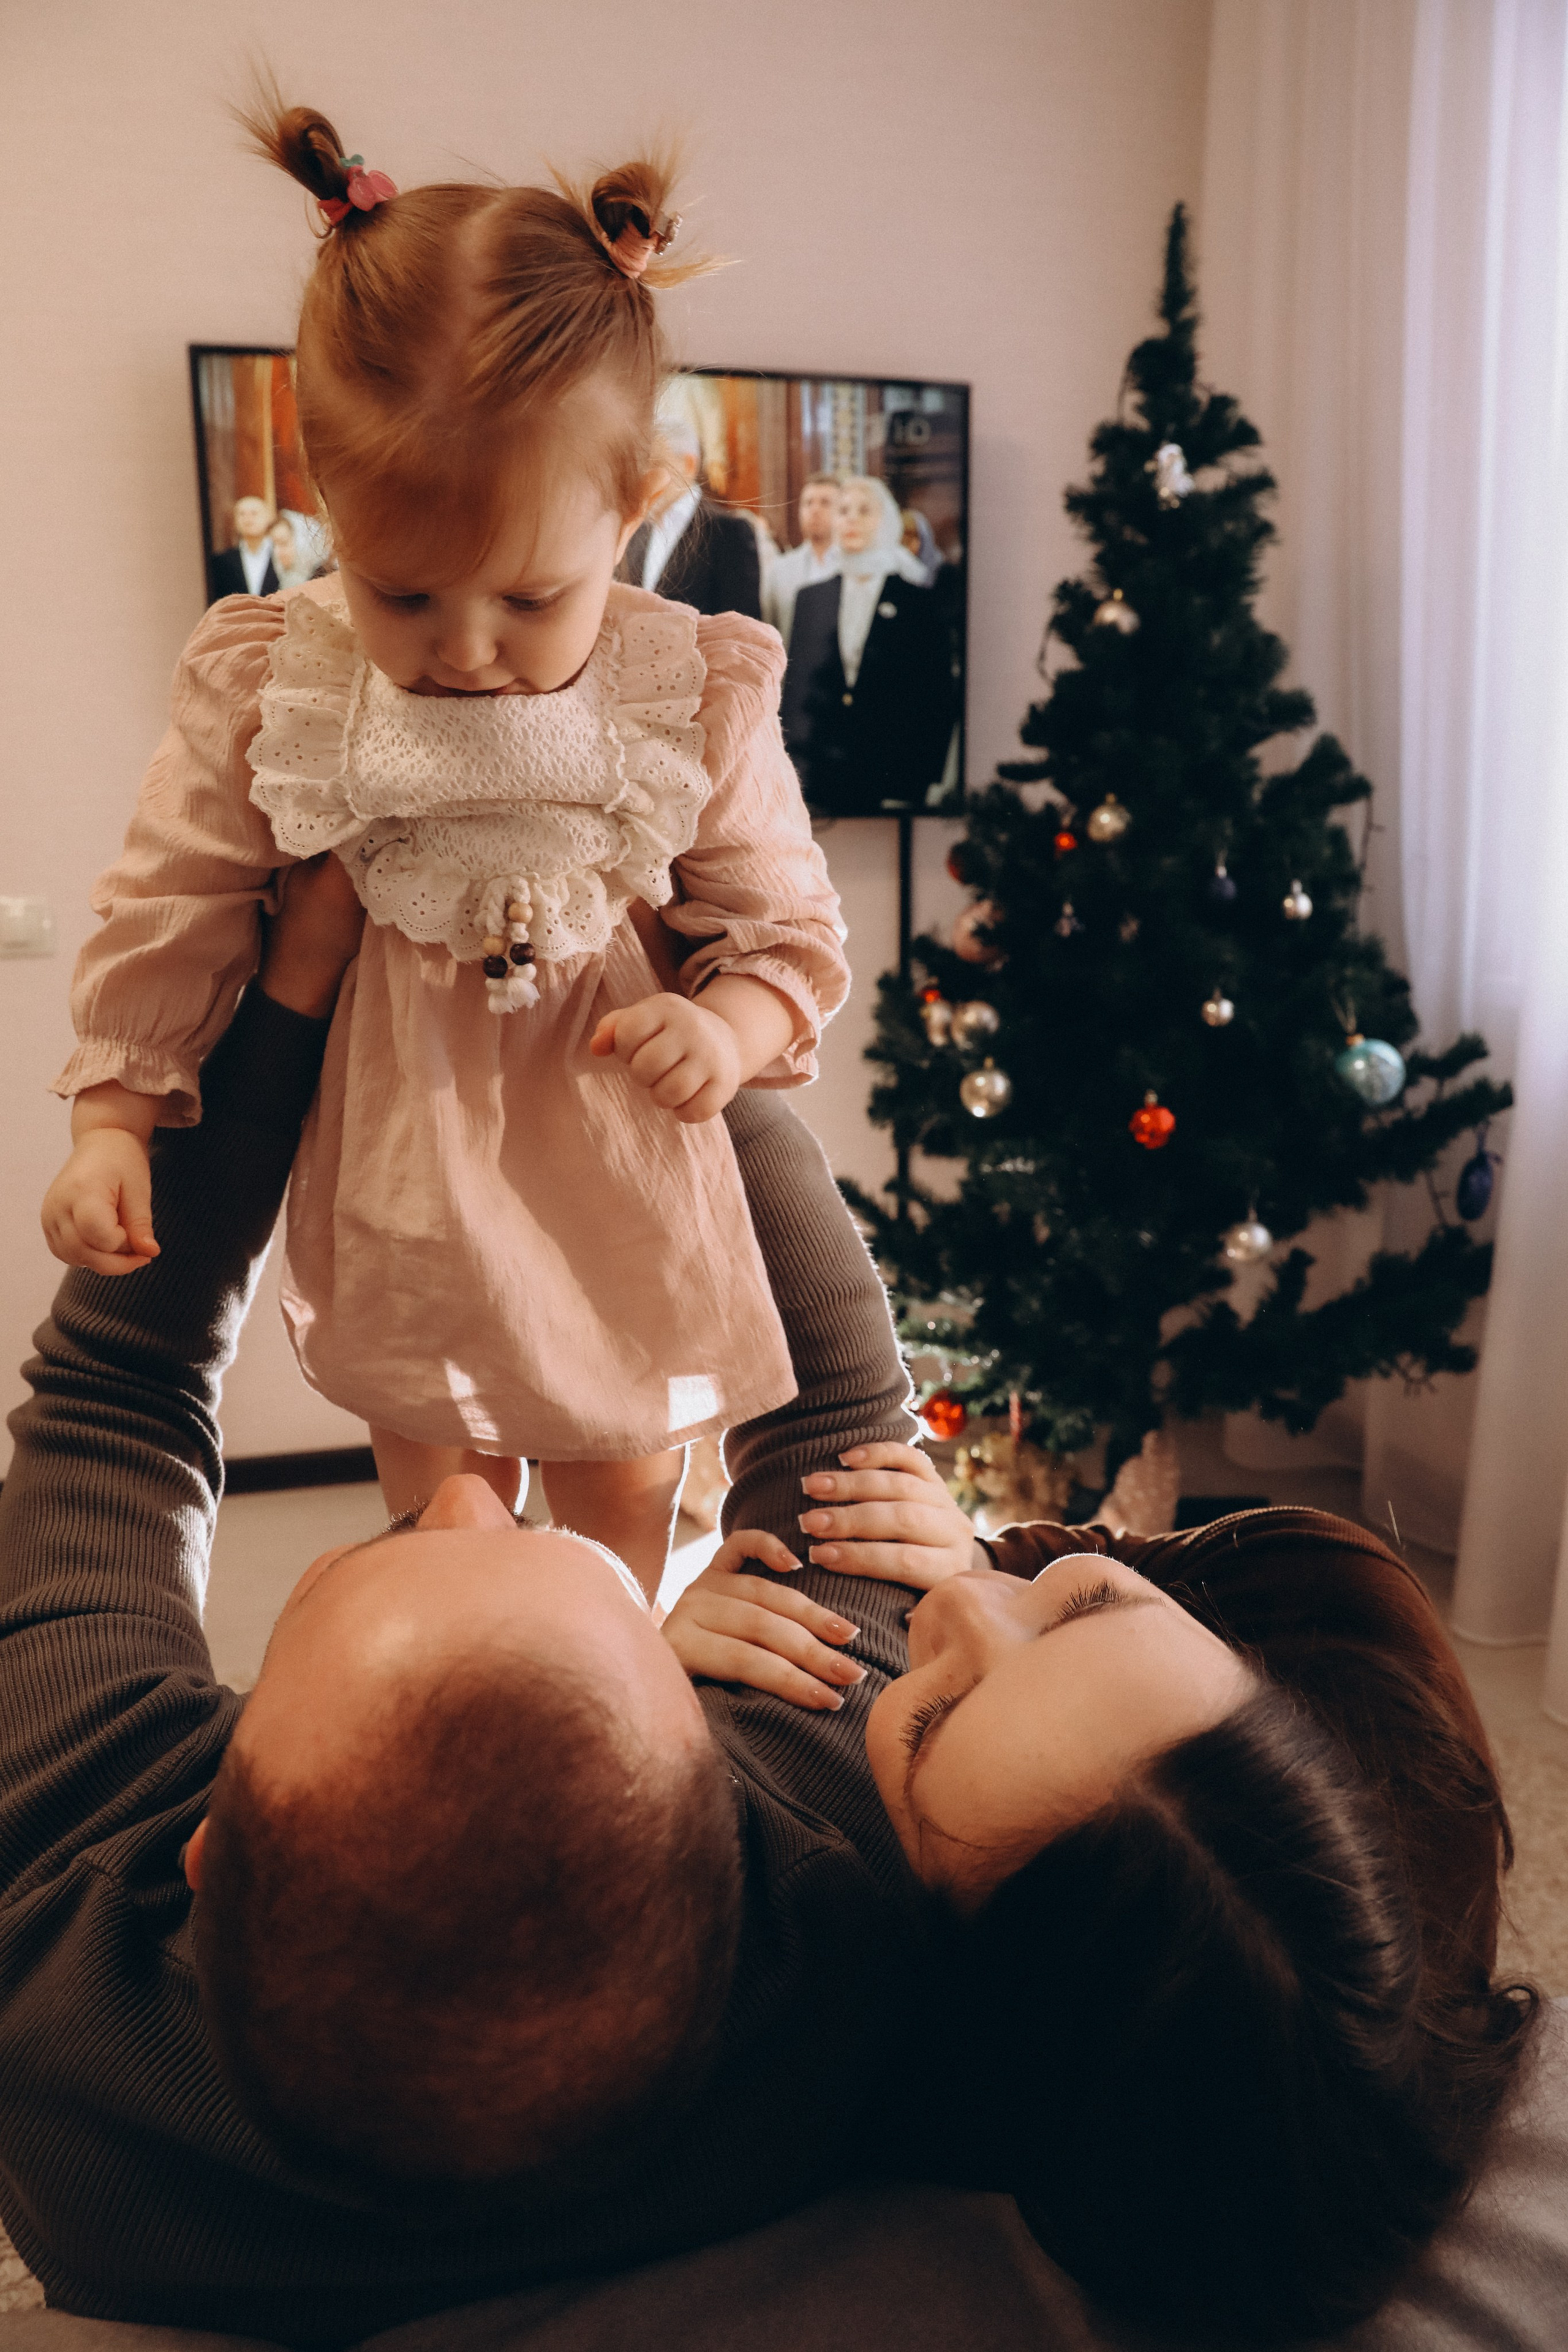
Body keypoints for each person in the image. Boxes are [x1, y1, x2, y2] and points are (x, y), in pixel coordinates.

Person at [0, 856, 1534, 2343]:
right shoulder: (841, 1927)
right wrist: (709, 1025)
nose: (479, 1482)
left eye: (380, 1547)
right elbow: (838, 1396)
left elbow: (115, 1402)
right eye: (1087, 1600)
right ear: (710, 1797)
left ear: (212, 1842)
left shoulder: (57, 2002)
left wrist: (283, 998)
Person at [40, 104, 847, 1599]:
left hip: (622, 1155)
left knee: (620, 1507)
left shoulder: (693, 687)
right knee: (447, 1527)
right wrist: (111, 1117)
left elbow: (785, 922)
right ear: (328, 509)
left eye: (529, 598)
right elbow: (172, 900)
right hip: (408, 1175)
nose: (467, 651)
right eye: (403, 596)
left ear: (635, 504)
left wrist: (723, 1025)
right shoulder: (279, 678)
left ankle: (618, 1688)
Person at [780, 475, 956, 814]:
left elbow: (936, 698)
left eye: (865, 511)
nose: (851, 520)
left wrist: (920, 779)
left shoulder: (917, 601)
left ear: (887, 521)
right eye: (844, 510)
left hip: (893, 776)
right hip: (818, 777)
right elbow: (796, 694)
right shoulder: (811, 598)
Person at [617, 413, 763, 619]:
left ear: (688, 465)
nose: (644, 476)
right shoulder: (636, 529)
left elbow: (742, 630)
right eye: (640, 465)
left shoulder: (729, 531)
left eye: (654, 463)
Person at [762, 472, 840, 648]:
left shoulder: (854, 566)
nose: (815, 510)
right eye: (808, 503)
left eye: (825, 503)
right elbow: (771, 626)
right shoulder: (782, 568)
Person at [206, 494, 279, 602]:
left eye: (254, 513)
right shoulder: (222, 561)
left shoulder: (281, 554)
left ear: (269, 518)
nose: (248, 519)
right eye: (242, 514)